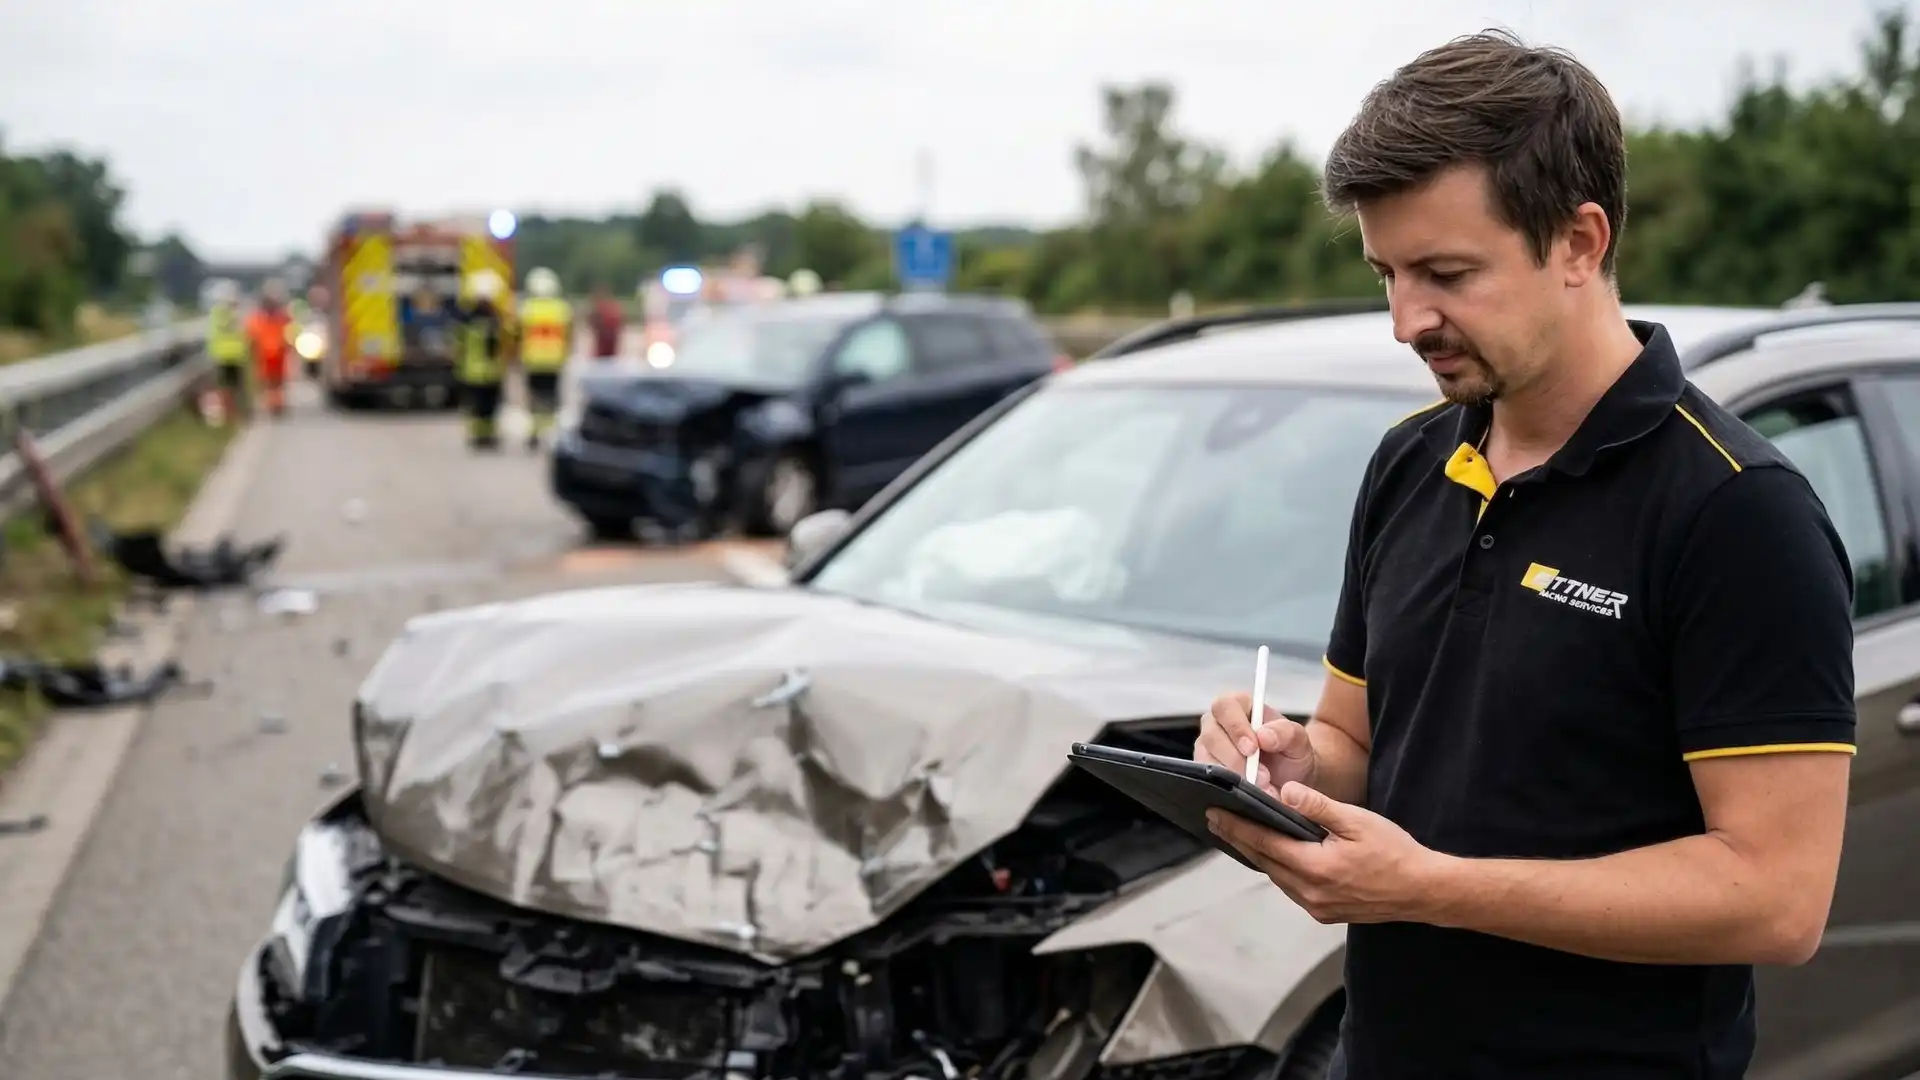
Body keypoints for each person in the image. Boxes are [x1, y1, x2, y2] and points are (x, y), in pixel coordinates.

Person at [1192, 30, 1855, 1079]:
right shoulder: (1409, 462)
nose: (1406, 320)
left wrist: (1432, 888)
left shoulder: (1737, 510)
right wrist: (1286, 768)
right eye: (1387, 274)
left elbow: (1776, 899)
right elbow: (1357, 742)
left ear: (1580, 243)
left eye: (1447, 273)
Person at [452, 268, 511, 450]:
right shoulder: (496, 319)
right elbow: (506, 339)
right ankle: (488, 436)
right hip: (491, 371)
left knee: (476, 407)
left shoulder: (466, 318)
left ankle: (479, 436)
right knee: (489, 407)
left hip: (472, 372)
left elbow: (458, 343)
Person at [517, 266, 573, 450]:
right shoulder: (561, 309)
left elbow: (517, 334)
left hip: (533, 361)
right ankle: (551, 433)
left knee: (534, 398)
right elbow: (569, 335)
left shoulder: (527, 309)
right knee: (551, 399)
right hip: (554, 361)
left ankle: (534, 432)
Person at [244, 278, 295, 417]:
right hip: (266, 356)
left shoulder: (281, 317)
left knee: (276, 382)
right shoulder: (259, 318)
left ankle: (276, 404)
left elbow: (290, 332)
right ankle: (274, 404)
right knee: (270, 382)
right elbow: (251, 336)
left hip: (276, 355)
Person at [205, 280, 250, 422]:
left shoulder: (216, 313)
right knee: (236, 387)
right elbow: (244, 333)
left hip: (223, 356)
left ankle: (231, 412)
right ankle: (238, 412)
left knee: (227, 386)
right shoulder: (236, 314)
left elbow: (212, 335)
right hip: (234, 355)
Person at [588, 283, 625, 360]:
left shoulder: (601, 309)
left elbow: (593, 323)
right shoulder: (614, 307)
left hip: (605, 350)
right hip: (608, 351)